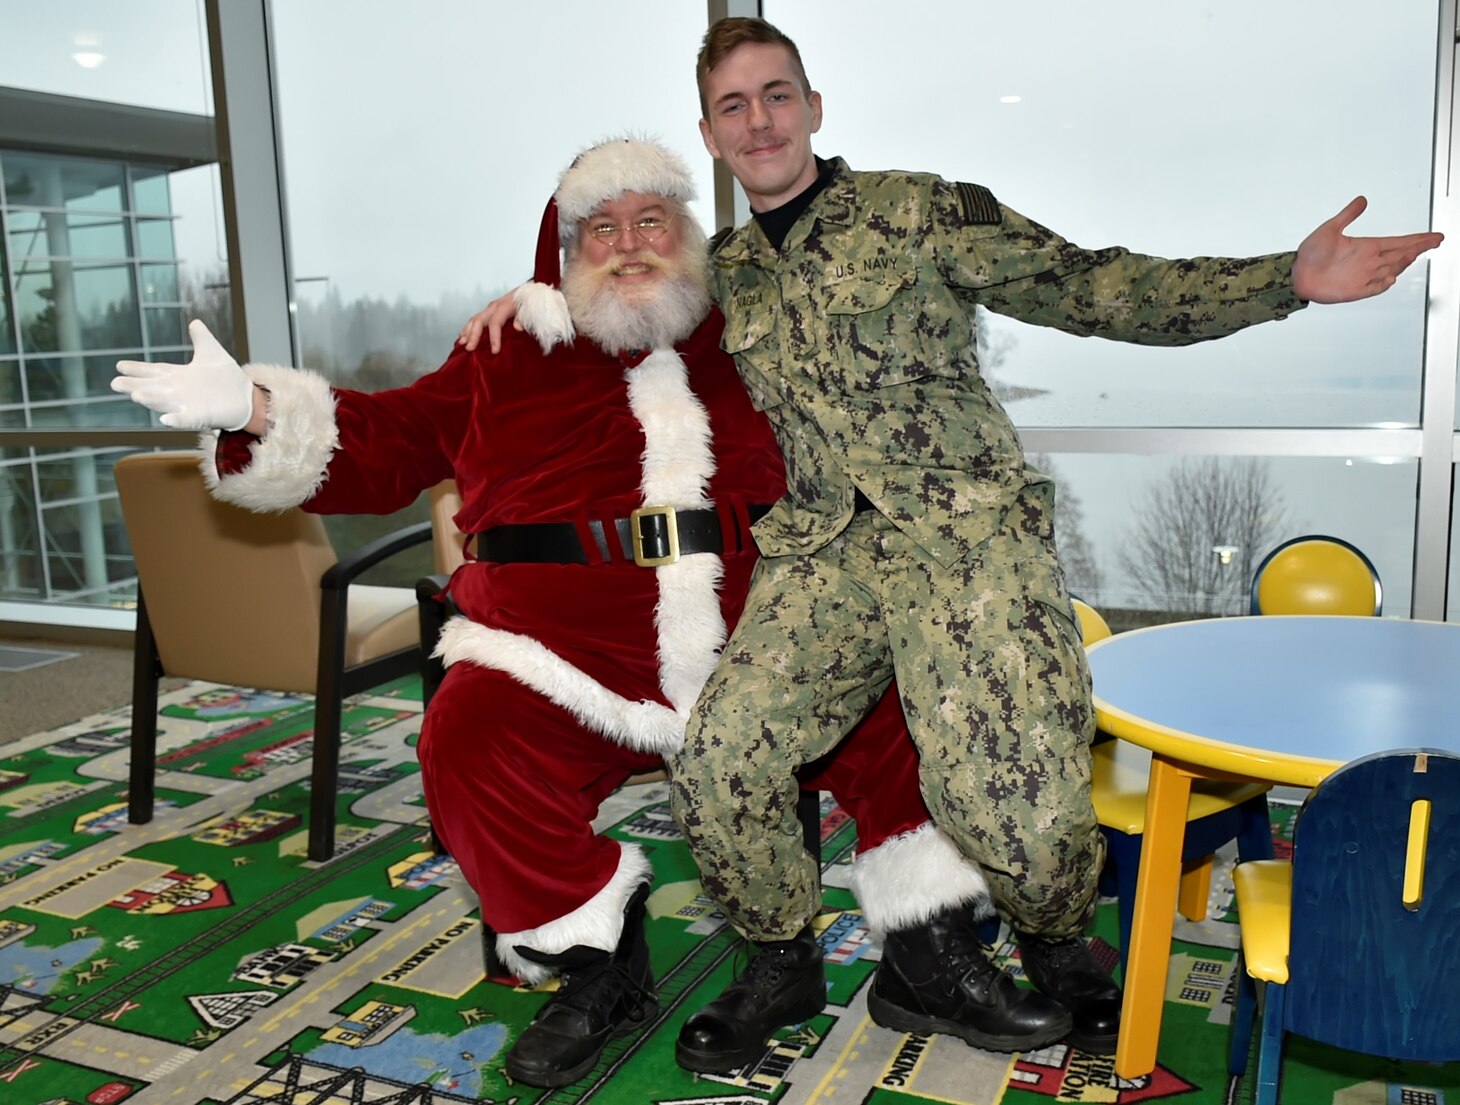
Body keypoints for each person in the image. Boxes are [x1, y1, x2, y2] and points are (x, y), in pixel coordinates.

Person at [461, 19, 1443, 1061]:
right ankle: (779, 963)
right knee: (721, 758)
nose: (760, 121)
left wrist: (1284, 278)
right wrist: (522, 302)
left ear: (813, 107)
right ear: (710, 132)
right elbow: (617, 323)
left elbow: (1092, 284)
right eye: (735, 105)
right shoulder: (727, 275)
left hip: (965, 540)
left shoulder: (918, 211)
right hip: (824, 556)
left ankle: (1056, 939)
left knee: (1012, 808)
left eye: (777, 94)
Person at [111, 137, 1033, 1086]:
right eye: (602, 229)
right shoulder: (507, 350)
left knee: (901, 705)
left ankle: (927, 952)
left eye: (651, 222)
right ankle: (597, 956)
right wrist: (253, 410)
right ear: (563, 253)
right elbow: (386, 441)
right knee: (467, 740)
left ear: (689, 236)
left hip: (766, 645)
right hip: (561, 655)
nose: (630, 246)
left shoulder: (754, 330)